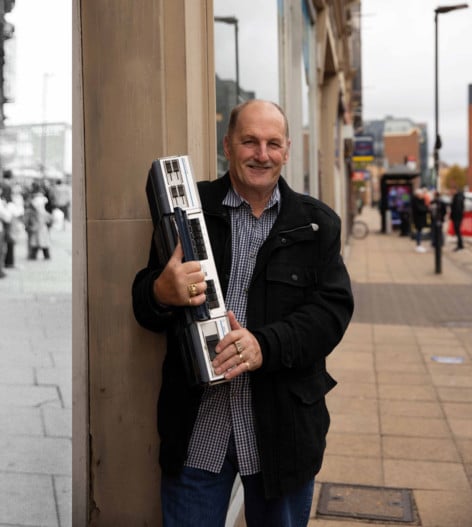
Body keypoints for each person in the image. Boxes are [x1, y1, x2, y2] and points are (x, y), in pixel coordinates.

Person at [132, 100, 354, 526]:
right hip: (199, 431)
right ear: (227, 146)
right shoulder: (186, 210)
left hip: (280, 433)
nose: (262, 154)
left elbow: (330, 314)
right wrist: (161, 291)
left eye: (273, 143)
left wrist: (262, 345)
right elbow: (144, 302)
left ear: (287, 150)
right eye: (249, 141)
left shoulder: (316, 224)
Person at [25, 191, 52, 260]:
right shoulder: (39, 210)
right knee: (40, 243)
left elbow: (47, 219)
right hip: (40, 229)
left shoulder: (39, 210)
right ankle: (38, 256)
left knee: (38, 243)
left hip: (39, 229)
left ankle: (34, 256)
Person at [411, 187, 429, 252]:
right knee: (419, 232)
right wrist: (426, 209)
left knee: (419, 231)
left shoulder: (420, 200)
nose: (422, 195)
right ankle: (418, 245)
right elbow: (421, 209)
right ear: (418, 195)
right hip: (418, 219)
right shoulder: (416, 201)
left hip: (420, 219)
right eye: (421, 194)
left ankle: (419, 245)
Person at [449, 183, 465, 251]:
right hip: (458, 217)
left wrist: (454, 216)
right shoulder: (457, 196)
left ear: (455, 190)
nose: (450, 191)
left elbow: (457, 209)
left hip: (457, 217)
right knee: (457, 231)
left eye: (451, 190)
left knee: (458, 231)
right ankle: (460, 245)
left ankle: (460, 245)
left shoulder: (457, 197)